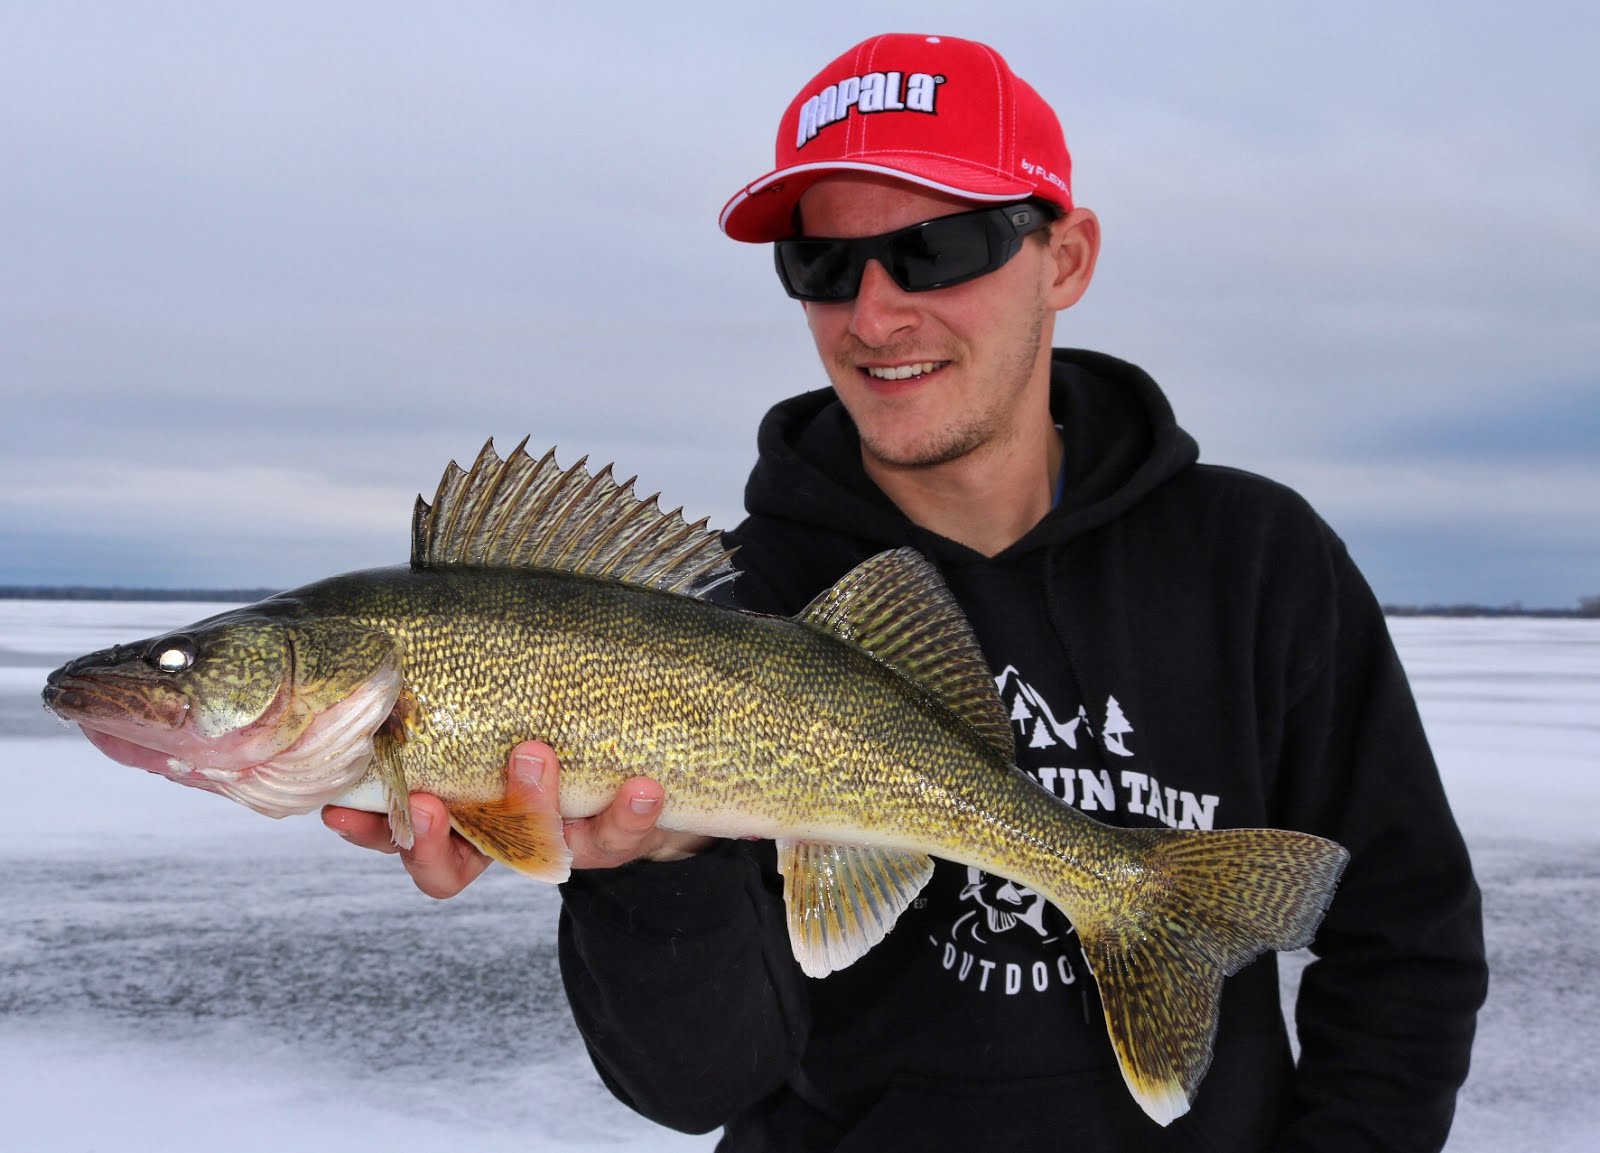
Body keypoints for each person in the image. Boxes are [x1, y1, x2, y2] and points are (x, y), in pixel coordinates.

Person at [324, 32, 1488, 1152]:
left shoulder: (1254, 558)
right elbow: (698, 1088)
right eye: (822, 265)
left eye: (938, 248)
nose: (874, 315)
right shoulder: (726, 613)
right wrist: (650, 872)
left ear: (1065, 258)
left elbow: (1406, 942)